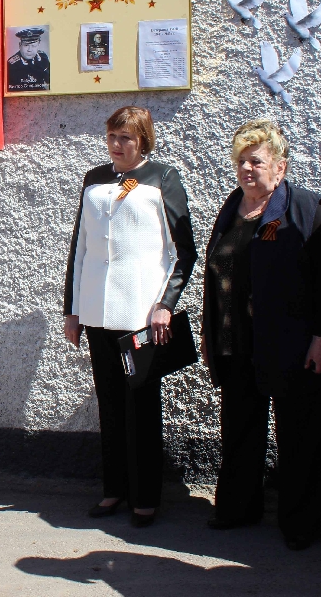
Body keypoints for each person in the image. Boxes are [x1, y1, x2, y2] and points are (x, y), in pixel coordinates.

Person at [202, 119, 321, 550]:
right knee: (240, 427)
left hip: (292, 344)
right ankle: (239, 508)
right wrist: (210, 332)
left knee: (300, 433)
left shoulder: (303, 209)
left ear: (280, 167)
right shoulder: (232, 208)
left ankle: (303, 522)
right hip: (236, 342)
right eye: (241, 160)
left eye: (256, 161)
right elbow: (218, 274)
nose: (247, 168)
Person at [64, 106, 197, 528]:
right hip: (97, 312)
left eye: (126, 138)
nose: (117, 145)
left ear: (143, 141)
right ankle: (114, 489)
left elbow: (183, 252)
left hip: (140, 314)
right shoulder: (94, 179)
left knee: (140, 406)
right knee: (109, 404)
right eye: (112, 137)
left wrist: (165, 304)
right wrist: (73, 310)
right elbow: (80, 249)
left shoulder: (162, 178)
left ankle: (145, 496)